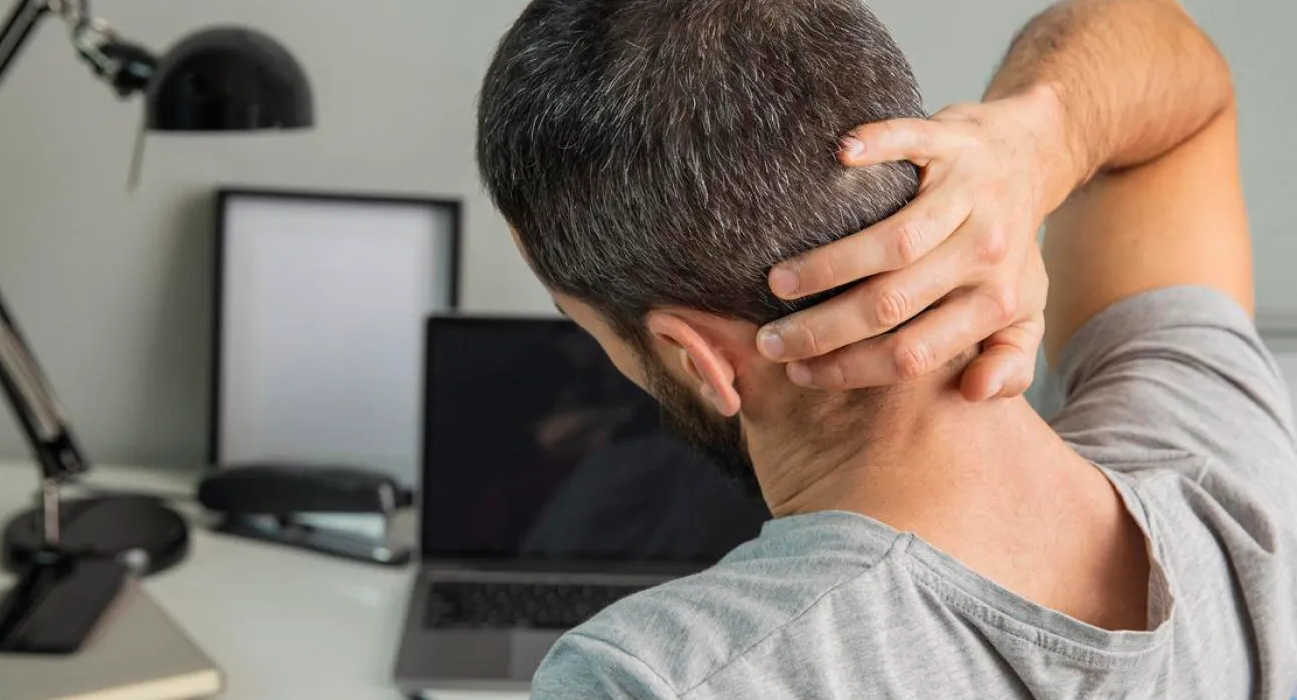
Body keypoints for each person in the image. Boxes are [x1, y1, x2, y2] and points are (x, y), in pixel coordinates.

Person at [477, 0, 1297, 696]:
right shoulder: (1227, 464)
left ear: (699, 359)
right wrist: (1035, 144)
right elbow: (1180, 88)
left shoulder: (658, 676)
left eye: (586, 325)